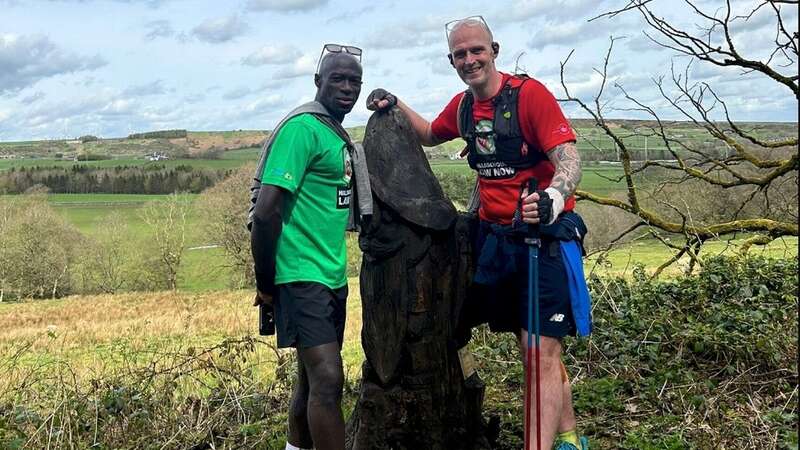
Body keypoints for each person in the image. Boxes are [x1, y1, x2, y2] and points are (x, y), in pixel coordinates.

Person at [366, 16, 590, 450]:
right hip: (498, 240)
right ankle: (568, 439)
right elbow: (432, 133)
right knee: (536, 349)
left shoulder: (529, 97)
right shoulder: (464, 107)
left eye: (476, 50)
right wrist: (394, 103)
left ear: (494, 50)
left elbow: (569, 158)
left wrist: (553, 198)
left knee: (539, 353)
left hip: (542, 241)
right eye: (460, 54)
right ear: (451, 60)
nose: (469, 60)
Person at [249, 44, 364, 450]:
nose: (347, 87)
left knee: (310, 381)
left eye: (354, 80)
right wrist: (266, 285)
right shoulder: (302, 130)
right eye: (338, 78)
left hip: (331, 275)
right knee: (330, 380)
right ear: (318, 81)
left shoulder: (335, 134)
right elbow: (266, 213)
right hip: (299, 275)